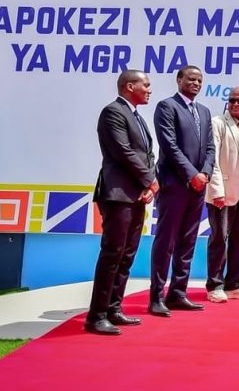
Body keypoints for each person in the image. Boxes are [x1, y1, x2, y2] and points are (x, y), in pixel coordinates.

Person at [85, 69, 158, 335]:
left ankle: (114, 309)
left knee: (127, 254)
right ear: (129, 86)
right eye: (145, 85)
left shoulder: (137, 116)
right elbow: (123, 152)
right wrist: (150, 180)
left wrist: (148, 184)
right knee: (112, 253)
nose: (149, 89)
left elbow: (147, 154)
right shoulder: (113, 112)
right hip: (117, 194)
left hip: (136, 194)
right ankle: (96, 316)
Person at [149, 66, 215, 316]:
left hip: (198, 187)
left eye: (199, 80)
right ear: (179, 80)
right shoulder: (167, 107)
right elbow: (169, 145)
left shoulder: (204, 111)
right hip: (174, 184)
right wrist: (191, 174)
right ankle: (157, 296)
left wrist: (205, 173)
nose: (196, 83)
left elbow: (211, 147)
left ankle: (178, 293)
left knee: (188, 241)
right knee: (166, 241)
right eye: (191, 79)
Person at [205, 87, 239, 303]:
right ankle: (215, 285)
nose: (236, 104)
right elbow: (213, 159)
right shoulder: (218, 123)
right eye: (232, 100)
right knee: (219, 237)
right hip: (224, 190)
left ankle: (234, 284)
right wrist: (217, 190)